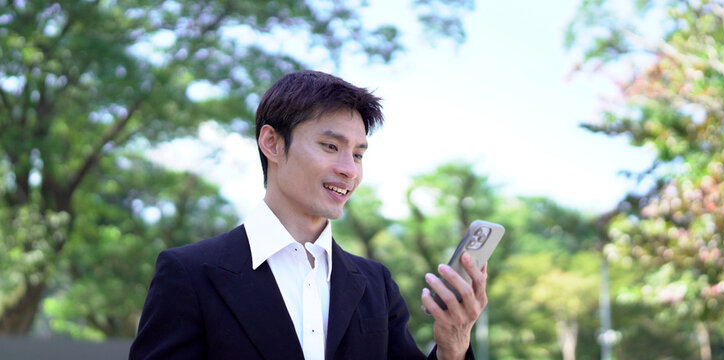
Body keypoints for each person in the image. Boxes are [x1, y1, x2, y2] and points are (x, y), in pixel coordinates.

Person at [129, 70, 488, 359]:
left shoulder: (376, 283)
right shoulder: (189, 275)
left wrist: (453, 346)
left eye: (359, 154)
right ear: (271, 143)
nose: (350, 170)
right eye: (330, 146)